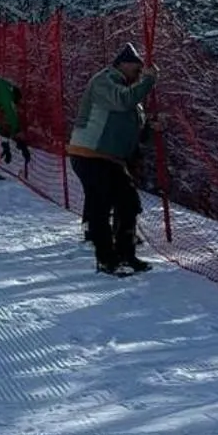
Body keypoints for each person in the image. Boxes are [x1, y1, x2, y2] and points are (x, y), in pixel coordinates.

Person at [68, 43, 158, 274]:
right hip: (89, 153)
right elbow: (121, 101)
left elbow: (134, 128)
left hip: (111, 158)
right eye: (136, 68)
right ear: (122, 64)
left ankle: (126, 255)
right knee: (101, 205)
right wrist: (148, 81)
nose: (139, 73)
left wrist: (150, 127)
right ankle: (107, 259)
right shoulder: (105, 81)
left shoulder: (129, 92)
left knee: (129, 203)